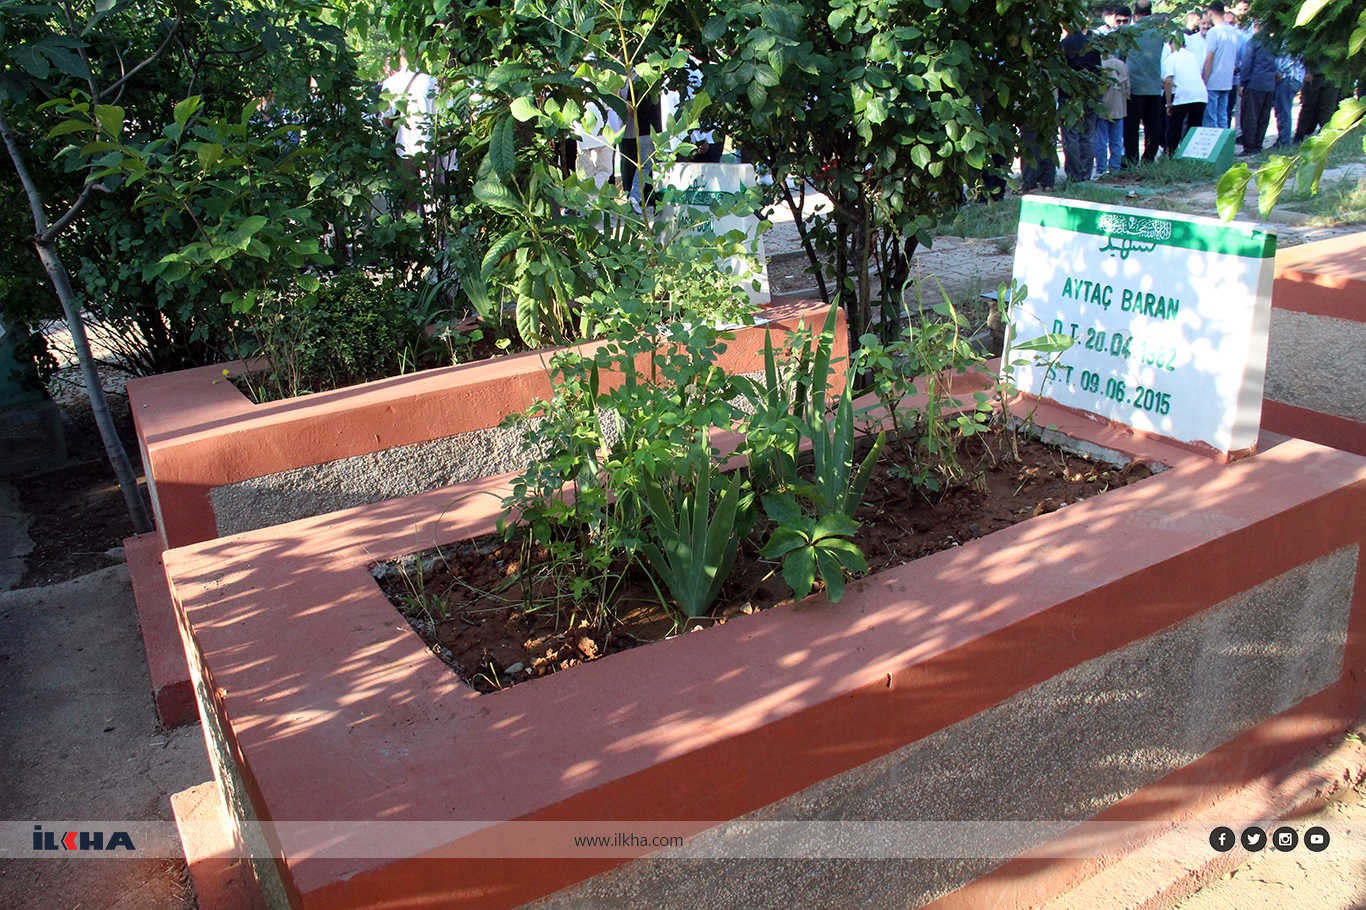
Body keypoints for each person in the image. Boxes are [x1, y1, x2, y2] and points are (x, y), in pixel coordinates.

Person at [1123, 0, 1169, 165]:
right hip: (1154, 86)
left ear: (1134, 12)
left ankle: (1131, 159)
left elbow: (1120, 56)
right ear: (1151, 12)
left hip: (1134, 86)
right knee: (1152, 127)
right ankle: (1149, 158)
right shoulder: (1159, 33)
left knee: (1131, 127)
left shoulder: (1128, 31)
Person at [1060, 23, 1100, 183]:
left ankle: (1074, 175)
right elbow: (1098, 69)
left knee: (1071, 136)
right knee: (1088, 136)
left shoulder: (1063, 45)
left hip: (1069, 95)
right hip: (1090, 94)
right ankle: (1085, 175)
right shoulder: (1092, 44)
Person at [1163, 18, 1208, 154]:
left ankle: (1170, 153)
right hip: (1201, 94)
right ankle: (1192, 153)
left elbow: (1168, 81)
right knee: (1195, 127)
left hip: (1184, 95)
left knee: (1175, 126)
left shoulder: (1172, 58)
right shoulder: (1193, 56)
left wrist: (1168, 104)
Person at [1236, 26, 1277, 154]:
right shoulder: (1274, 42)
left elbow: (1247, 63)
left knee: (1250, 116)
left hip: (1254, 83)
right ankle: (1258, 145)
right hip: (1269, 83)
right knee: (1264, 116)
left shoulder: (1254, 42)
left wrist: (1242, 82)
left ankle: (1249, 147)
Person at [1201, 2, 1239, 128]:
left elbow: (1209, 59)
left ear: (1211, 12)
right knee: (1223, 114)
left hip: (1213, 79)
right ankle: (1224, 139)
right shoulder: (1233, 31)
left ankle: (1213, 139)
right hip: (1227, 79)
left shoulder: (1214, 32)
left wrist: (1204, 80)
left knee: (1210, 116)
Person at [1096, 53, 1129, 176]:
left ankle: (1101, 168)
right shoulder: (1122, 64)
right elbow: (1127, 87)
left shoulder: (1100, 65)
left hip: (1103, 108)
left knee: (1101, 140)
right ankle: (1115, 167)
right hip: (1119, 107)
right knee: (1117, 141)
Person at [1273, 54, 1305, 147]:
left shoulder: (1288, 44)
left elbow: (1290, 58)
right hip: (1292, 78)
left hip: (1288, 78)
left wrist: (1279, 71)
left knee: (1283, 111)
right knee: (1282, 110)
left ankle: (1284, 142)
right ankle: (1283, 139)